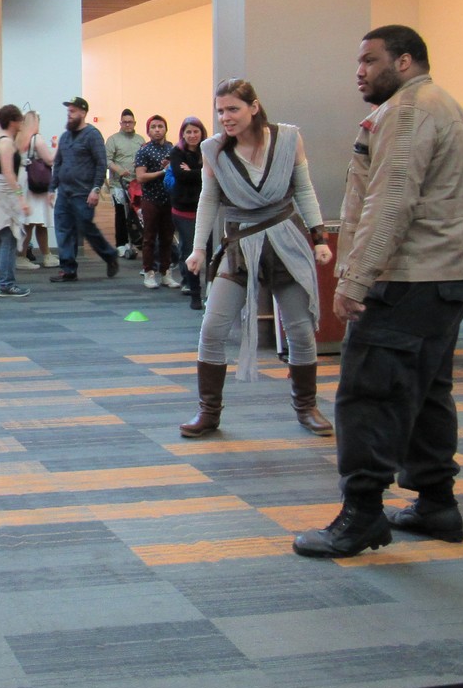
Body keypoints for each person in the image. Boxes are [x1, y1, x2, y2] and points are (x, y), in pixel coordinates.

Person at [293, 25, 463, 559]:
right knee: (425, 389)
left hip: (412, 275)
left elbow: (391, 202)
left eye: (370, 60)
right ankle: (436, 503)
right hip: (446, 272)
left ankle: (361, 515)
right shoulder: (441, 104)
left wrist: (355, 279)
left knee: (369, 392)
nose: (359, 71)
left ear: (404, 62)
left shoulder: (409, 111)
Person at [182, 80, 332, 440]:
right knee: (212, 328)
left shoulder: (288, 139)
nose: (225, 117)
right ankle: (208, 412)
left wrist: (319, 237)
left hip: (285, 241)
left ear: (253, 106)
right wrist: (198, 248)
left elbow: (304, 189)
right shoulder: (213, 149)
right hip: (240, 245)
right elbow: (208, 199)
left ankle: (307, 406)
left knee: (299, 329)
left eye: (233, 109)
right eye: (220, 111)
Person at [48, 96, 119, 282]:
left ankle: (109, 254)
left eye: (73, 111)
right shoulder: (65, 137)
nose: (69, 115)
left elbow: (101, 163)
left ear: (83, 112)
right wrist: (52, 188)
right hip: (64, 192)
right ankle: (68, 269)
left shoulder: (92, 135)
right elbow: (58, 163)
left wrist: (96, 188)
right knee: (63, 229)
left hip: (83, 193)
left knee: (86, 227)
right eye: (68, 112)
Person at [0, 105, 31, 297]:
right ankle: (5, 283)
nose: (21, 123)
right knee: (10, 237)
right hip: (2, 194)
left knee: (7, 237)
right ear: (12, 121)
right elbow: (8, 173)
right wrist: (20, 198)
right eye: (19, 120)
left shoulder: (0, 139)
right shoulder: (6, 143)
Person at [133, 114, 174, 290]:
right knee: (149, 238)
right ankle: (149, 272)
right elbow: (140, 177)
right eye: (153, 127)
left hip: (169, 199)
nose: (157, 130)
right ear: (148, 131)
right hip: (151, 199)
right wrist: (163, 172)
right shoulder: (144, 151)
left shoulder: (172, 149)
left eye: (160, 126)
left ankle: (166, 273)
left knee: (167, 237)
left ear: (166, 129)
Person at [170, 117, 207, 311]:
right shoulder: (176, 152)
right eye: (188, 132)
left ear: (202, 133)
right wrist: (199, 171)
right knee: (189, 248)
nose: (192, 135)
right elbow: (180, 175)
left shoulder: (208, 150)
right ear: (183, 134)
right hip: (182, 208)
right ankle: (193, 290)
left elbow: (212, 174)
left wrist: (192, 170)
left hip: (204, 207)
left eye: (196, 131)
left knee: (205, 249)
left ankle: (205, 287)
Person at [16, 109, 58, 269]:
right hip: (37, 182)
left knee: (31, 221)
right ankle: (25, 256)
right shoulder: (37, 138)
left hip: (25, 180)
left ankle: (44, 254)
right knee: (36, 221)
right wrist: (57, 147)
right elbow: (49, 159)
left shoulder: (19, 139)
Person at [106, 109, 143, 258]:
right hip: (119, 184)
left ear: (134, 123)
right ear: (120, 123)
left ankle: (137, 241)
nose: (127, 124)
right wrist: (119, 170)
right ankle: (121, 244)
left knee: (136, 214)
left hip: (136, 184)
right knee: (121, 213)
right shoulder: (113, 140)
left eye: (130, 122)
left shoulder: (140, 139)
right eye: (125, 122)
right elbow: (107, 159)